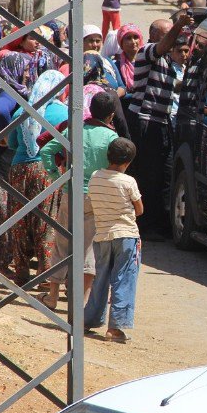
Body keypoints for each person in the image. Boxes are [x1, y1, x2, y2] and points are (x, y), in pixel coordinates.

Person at [40, 91, 121, 311]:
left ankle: (53, 296)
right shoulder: (111, 138)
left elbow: (47, 151)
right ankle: (81, 304)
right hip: (97, 198)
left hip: (72, 192)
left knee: (62, 244)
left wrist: (57, 178)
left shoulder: (74, 129)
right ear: (111, 116)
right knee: (89, 249)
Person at [127, 13, 194, 239]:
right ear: (155, 36)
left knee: (165, 175)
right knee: (149, 176)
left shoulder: (170, 61)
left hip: (163, 124)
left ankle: (162, 223)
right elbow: (165, 45)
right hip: (146, 123)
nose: (173, 40)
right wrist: (180, 25)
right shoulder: (148, 53)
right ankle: (146, 226)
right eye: (168, 35)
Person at [6, 70, 68, 287]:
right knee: (47, 220)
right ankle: (45, 271)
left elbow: (12, 143)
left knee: (19, 220)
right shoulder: (64, 113)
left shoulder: (22, 111)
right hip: (48, 170)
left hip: (19, 170)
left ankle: (22, 272)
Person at [84, 137, 143, 343]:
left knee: (100, 278)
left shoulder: (95, 177)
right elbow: (140, 209)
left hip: (101, 236)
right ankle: (115, 328)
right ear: (128, 163)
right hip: (126, 236)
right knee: (124, 279)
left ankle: (88, 320)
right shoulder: (128, 181)